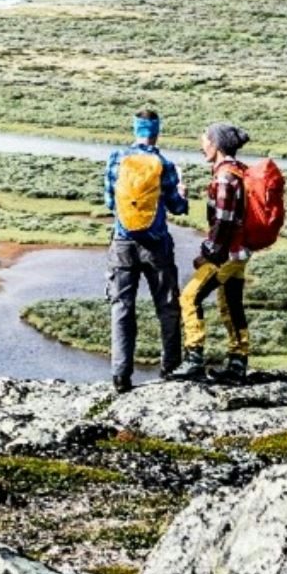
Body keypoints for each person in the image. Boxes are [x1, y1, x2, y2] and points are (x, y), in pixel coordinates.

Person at [104, 105, 187, 394]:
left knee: (122, 307)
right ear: (156, 132)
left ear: (134, 129)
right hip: (157, 244)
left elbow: (109, 203)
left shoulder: (116, 158)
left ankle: (120, 375)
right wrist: (182, 194)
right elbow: (178, 207)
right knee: (167, 307)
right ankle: (171, 368)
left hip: (122, 243)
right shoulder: (164, 164)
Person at [174, 123, 259, 383]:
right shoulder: (240, 170)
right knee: (231, 303)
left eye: (205, 141)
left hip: (226, 254)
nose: (202, 147)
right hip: (240, 252)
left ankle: (194, 359)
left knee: (189, 298)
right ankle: (237, 362)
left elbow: (223, 221)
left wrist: (207, 253)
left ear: (216, 144)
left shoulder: (224, 176)